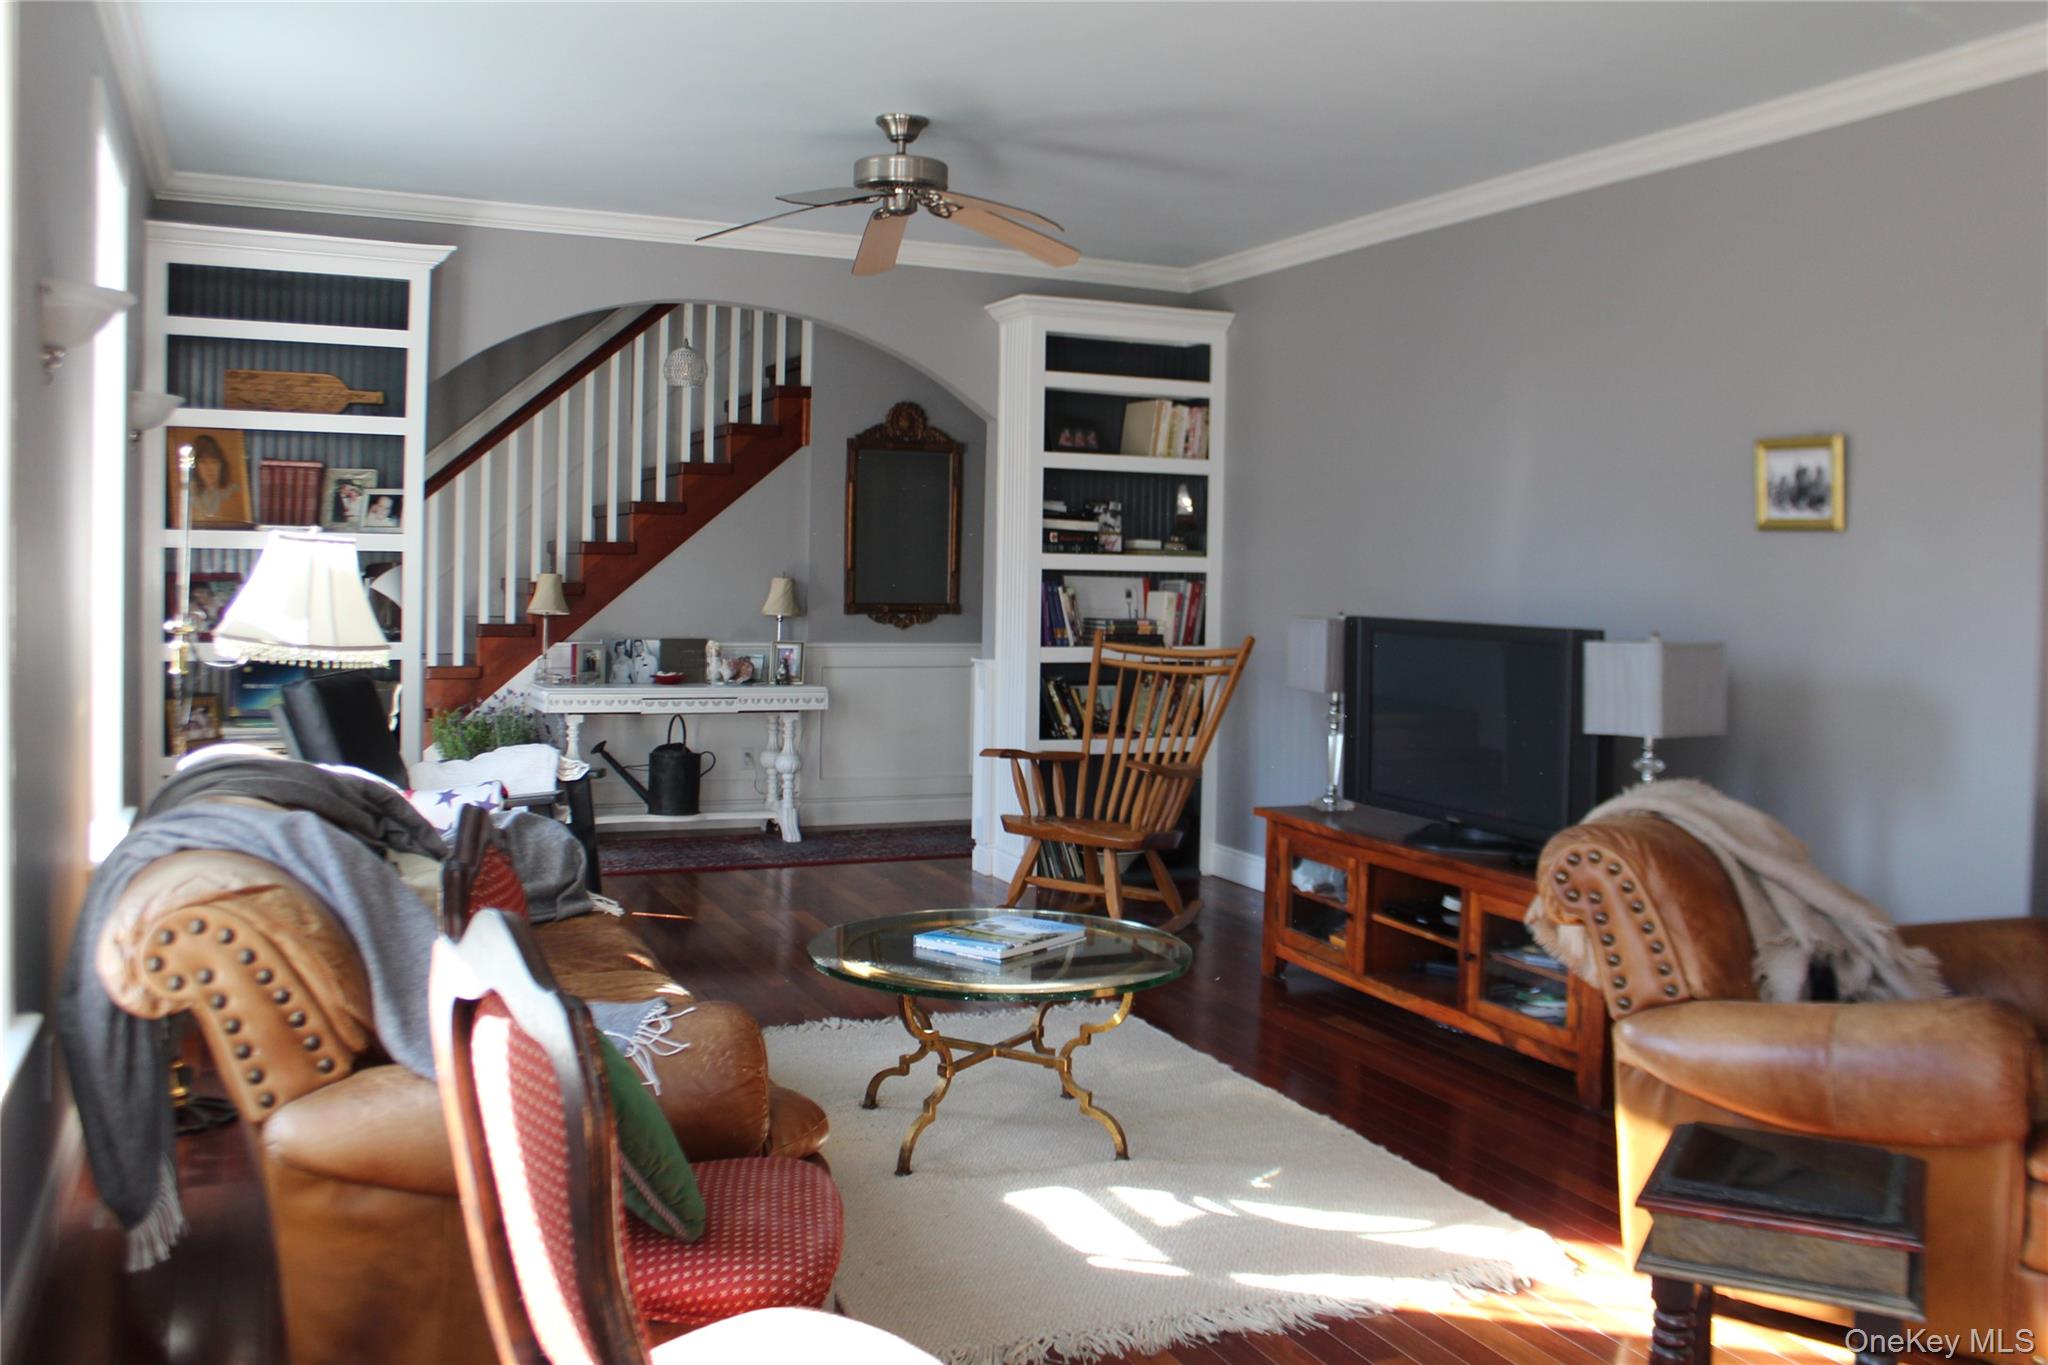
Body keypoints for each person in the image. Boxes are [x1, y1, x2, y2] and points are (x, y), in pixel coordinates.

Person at [185, 436, 247, 525]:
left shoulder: (233, 491)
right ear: (195, 466)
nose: (209, 468)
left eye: (214, 462)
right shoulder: (187, 492)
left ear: (221, 464)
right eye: (203, 462)